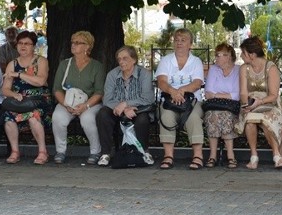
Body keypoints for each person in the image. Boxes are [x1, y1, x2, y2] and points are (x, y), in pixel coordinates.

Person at [52, 30, 106, 165]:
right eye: (72, 42)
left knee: (88, 119)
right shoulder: (65, 64)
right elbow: (57, 89)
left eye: (78, 43)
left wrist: (85, 106)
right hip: (67, 102)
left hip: (90, 103)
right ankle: (60, 151)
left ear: (87, 47)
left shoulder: (97, 66)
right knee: (58, 117)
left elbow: (99, 92)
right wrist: (65, 105)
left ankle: (95, 151)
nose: (73, 45)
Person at [96, 45, 155, 166]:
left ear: (134, 60)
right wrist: (123, 109)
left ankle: (144, 151)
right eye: (119, 59)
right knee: (102, 114)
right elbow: (107, 99)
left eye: (125, 58)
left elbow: (148, 98)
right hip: (116, 109)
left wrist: (126, 104)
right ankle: (105, 153)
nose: (121, 62)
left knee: (143, 120)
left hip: (138, 110)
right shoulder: (112, 75)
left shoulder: (144, 74)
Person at [156, 28, 205, 170]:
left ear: (190, 44)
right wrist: (173, 92)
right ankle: (168, 155)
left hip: (192, 99)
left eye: (183, 40)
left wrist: (181, 91)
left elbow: (197, 83)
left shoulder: (196, 61)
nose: (179, 43)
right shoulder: (166, 60)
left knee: (194, 117)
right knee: (166, 116)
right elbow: (161, 82)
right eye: (177, 40)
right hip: (169, 99)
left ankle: (198, 155)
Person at [0, 30, 52, 164]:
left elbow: (40, 81)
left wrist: (19, 75)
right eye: (20, 43)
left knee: (33, 116)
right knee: (8, 116)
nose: (23, 46)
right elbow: (5, 89)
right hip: (19, 101)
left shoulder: (41, 61)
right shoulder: (12, 64)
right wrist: (14, 94)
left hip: (38, 100)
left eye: (27, 44)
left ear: (33, 46)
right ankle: (15, 151)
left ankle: (42, 152)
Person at [237, 36, 282, 170]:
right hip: (250, 103)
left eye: (243, 53)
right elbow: (243, 92)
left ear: (252, 55)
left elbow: (273, 95)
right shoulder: (244, 68)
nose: (241, 56)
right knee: (250, 119)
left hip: (269, 103)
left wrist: (259, 102)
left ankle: (277, 155)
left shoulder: (271, 68)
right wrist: (245, 105)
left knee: (266, 119)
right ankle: (254, 156)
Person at [203, 43, 240, 168]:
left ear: (228, 56)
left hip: (231, 108)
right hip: (214, 106)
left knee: (226, 115)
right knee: (211, 115)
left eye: (220, 55)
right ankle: (212, 155)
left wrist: (217, 95)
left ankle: (231, 155)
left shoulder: (238, 70)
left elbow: (238, 95)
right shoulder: (213, 69)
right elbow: (208, 93)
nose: (217, 58)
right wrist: (227, 95)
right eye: (217, 55)